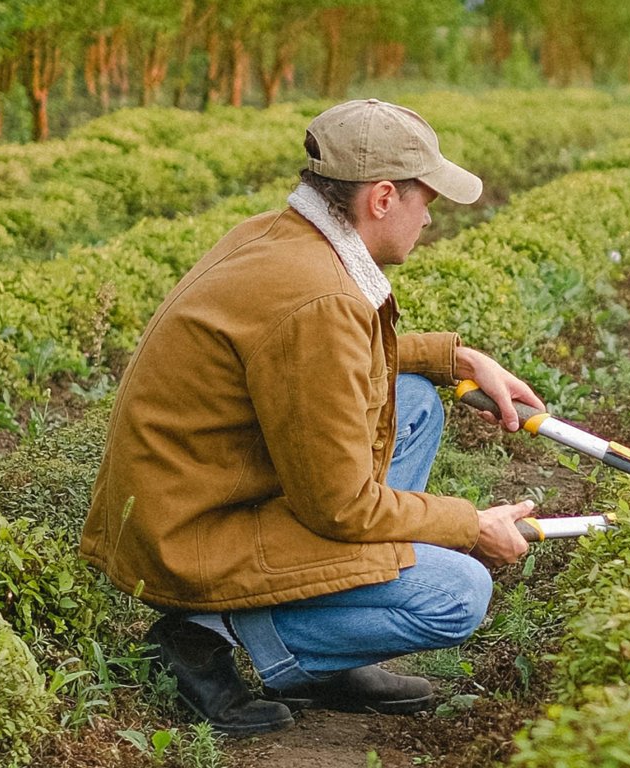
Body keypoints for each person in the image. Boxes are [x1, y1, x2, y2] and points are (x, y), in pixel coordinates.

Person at [80, 99, 544, 735]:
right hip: (191, 537)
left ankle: (323, 638)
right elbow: (342, 507)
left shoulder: (279, 236)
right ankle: (207, 634)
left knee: (411, 402)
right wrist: (468, 525)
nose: (430, 218)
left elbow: (316, 358)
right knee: (458, 592)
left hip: (195, 495)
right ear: (382, 198)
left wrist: (456, 356)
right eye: (427, 199)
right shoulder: (320, 297)